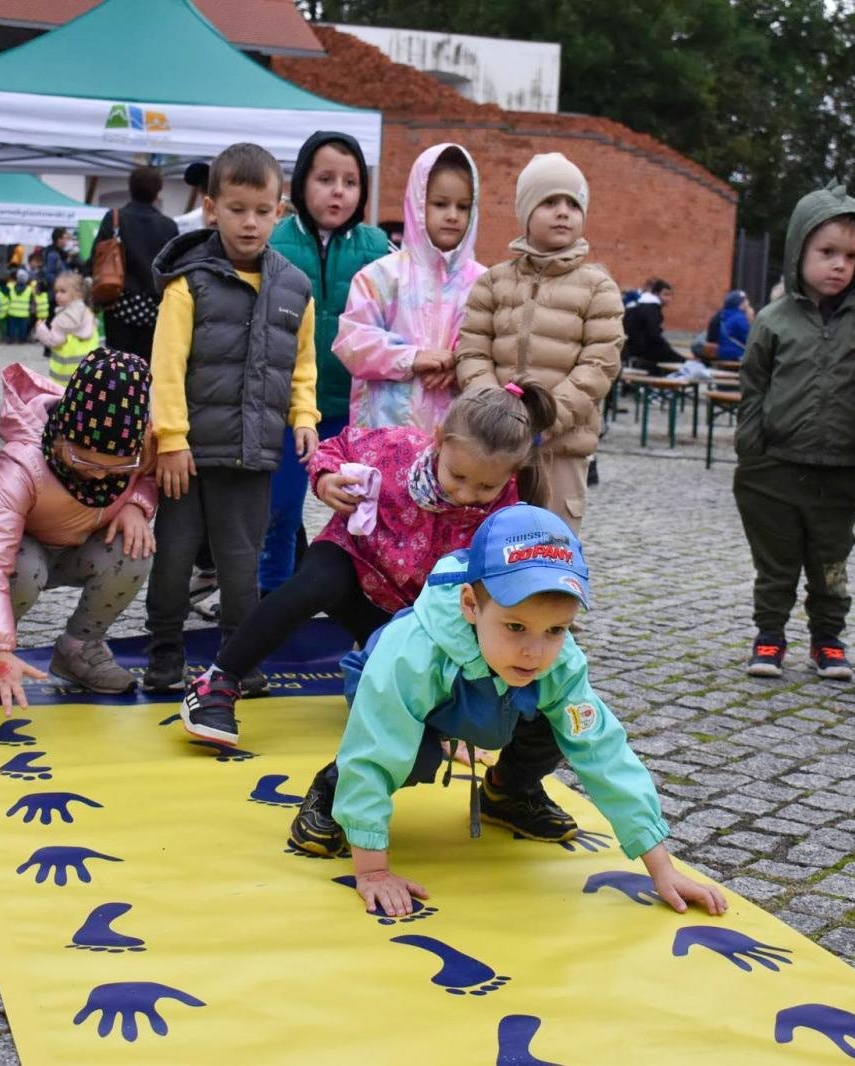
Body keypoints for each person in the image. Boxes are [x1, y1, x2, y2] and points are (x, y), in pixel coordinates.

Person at [299, 503, 727, 920]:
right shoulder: (412, 652)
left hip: (494, 705)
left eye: (556, 630)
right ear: (470, 605)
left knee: (559, 721)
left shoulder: (557, 664)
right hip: (400, 704)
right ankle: (331, 789)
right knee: (408, 755)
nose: (534, 651)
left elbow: (602, 751)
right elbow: (376, 746)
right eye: (516, 627)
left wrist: (662, 868)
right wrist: (372, 870)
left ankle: (508, 792)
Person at [180, 380, 555, 746]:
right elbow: (336, 447)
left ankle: (419, 700)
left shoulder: (509, 511)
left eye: (485, 487)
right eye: (457, 475)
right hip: (353, 557)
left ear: (512, 473)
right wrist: (326, 479)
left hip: (410, 613)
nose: (465, 493)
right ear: (438, 439)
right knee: (311, 584)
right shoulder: (396, 448)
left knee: (414, 677)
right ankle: (219, 680)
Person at [142, 142, 319, 694]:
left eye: (262, 211)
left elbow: (302, 365)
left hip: (253, 455)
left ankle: (236, 661)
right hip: (187, 458)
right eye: (237, 209)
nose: (250, 222)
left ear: (279, 210)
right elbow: (165, 366)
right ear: (212, 208)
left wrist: (305, 418)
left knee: (242, 568)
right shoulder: (187, 283)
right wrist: (170, 439)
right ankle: (165, 651)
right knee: (173, 560)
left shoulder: (295, 288)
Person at [733, 184, 855, 681]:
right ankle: (770, 636)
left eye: (850, 255)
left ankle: (829, 640)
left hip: (839, 469)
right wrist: (751, 449)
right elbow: (752, 386)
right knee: (776, 562)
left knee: (831, 562)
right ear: (799, 251)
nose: (839, 265)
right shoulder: (773, 321)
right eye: (827, 252)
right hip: (775, 465)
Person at [0, 351, 157, 712]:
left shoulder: (139, 448)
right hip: (25, 550)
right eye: (86, 462)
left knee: (136, 548)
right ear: (64, 435)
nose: (100, 476)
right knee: (22, 566)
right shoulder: (23, 463)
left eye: (116, 468)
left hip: (81, 547)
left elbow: (147, 474)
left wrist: (136, 504)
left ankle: (79, 649)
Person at [456, 151, 623, 534]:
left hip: (560, 448)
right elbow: (472, 350)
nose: (563, 212)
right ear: (526, 212)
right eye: (549, 202)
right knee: (489, 544)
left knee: (551, 550)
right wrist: (497, 415)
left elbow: (598, 367)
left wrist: (543, 419)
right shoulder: (493, 282)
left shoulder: (599, 287)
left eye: (572, 203)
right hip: (494, 443)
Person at [260, 131, 391, 595]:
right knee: (279, 510)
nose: (338, 190)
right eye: (325, 178)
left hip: (353, 410)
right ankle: (270, 600)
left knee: (363, 514)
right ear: (300, 185)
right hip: (286, 408)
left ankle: (361, 604)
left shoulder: (379, 249)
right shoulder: (273, 242)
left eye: (350, 181)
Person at [334, 143, 485, 431]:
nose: (453, 215)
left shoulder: (485, 284)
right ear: (418, 203)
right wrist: (412, 358)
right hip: (384, 435)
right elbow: (352, 342)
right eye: (440, 204)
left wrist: (461, 364)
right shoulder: (381, 276)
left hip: (458, 440)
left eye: (463, 206)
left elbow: (497, 344)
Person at [95, 165, 178, 359]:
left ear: (130, 188)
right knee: (146, 368)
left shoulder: (114, 218)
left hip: (118, 303)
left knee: (116, 366)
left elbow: (96, 257)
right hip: (154, 309)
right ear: (157, 192)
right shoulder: (168, 226)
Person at [35, 271, 98, 386]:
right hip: (87, 374)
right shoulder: (87, 313)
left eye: (62, 291)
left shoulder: (62, 319)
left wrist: (41, 329)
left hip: (64, 379)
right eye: (56, 291)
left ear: (77, 294)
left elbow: (53, 341)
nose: (57, 295)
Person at [622, 278, 681, 371]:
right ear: (656, 294)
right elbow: (653, 336)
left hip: (632, 350)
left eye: (670, 295)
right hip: (643, 352)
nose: (668, 298)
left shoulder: (640, 305)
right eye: (665, 294)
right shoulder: (651, 309)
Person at [716, 289, 751, 361]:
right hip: (736, 354)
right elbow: (749, 339)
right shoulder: (739, 318)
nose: (748, 302)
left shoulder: (724, 315)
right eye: (745, 300)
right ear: (741, 303)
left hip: (723, 353)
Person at [3, 269, 34, 343]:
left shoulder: (10, 287)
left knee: (12, 327)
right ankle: (22, 340)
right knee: (22, 328)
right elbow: (31, 301)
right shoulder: (29, 289)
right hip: (23, 313)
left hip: (12, 312)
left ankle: (10, 339)